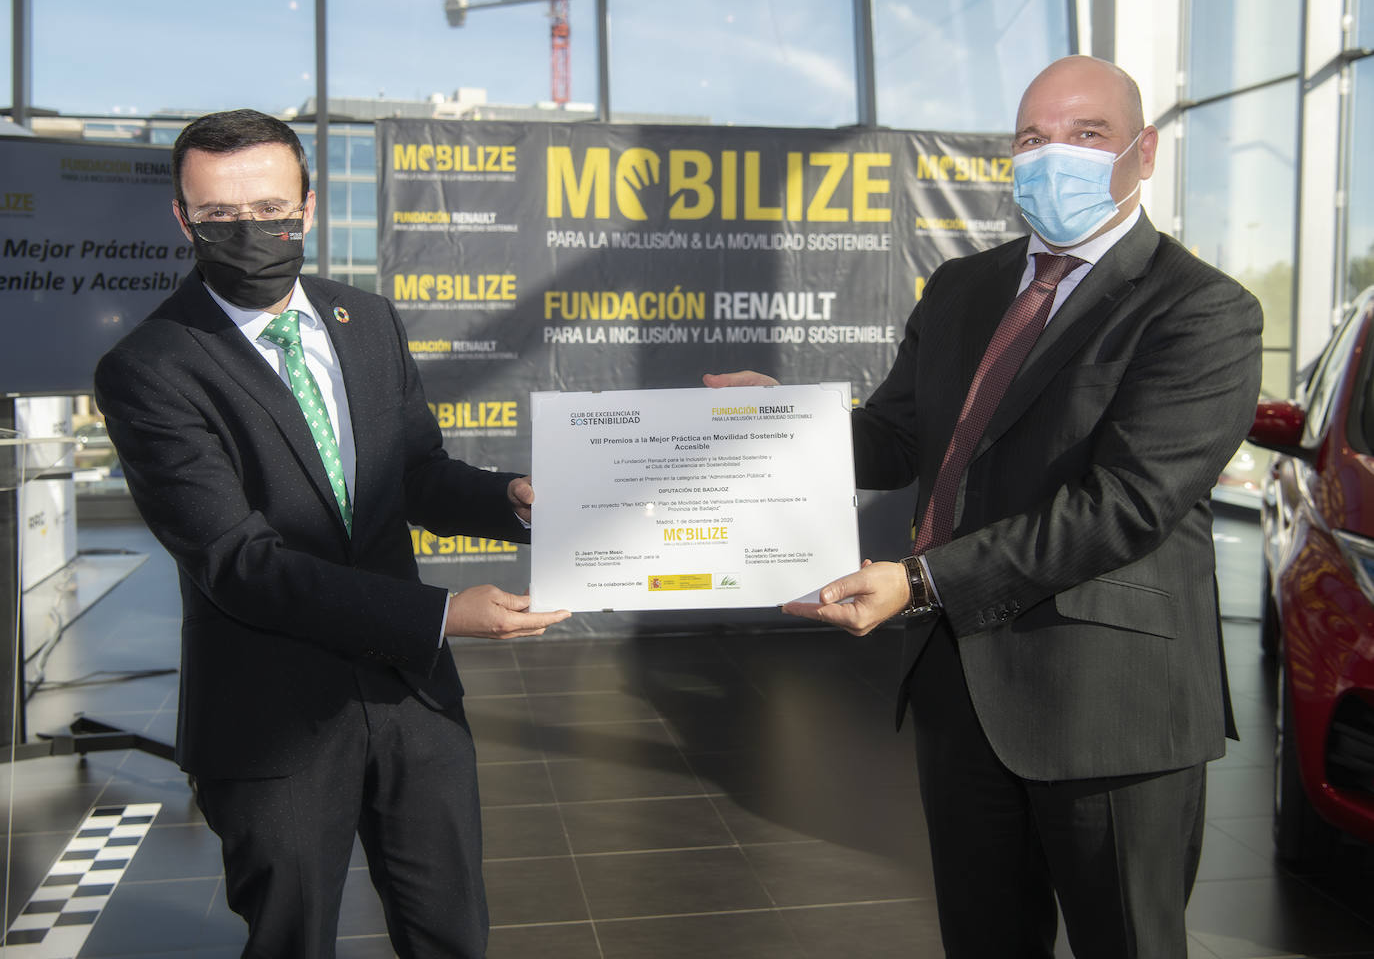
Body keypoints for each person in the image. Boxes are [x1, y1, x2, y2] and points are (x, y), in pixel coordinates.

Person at [706, 55, 1262, 956]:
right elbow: (896, 437)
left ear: (1146, 152)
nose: (1054, 156)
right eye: (1033, 138)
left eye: (1087, 134)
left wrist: (922, 580)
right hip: (960, 684)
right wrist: (782, 424)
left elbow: (1124, 505)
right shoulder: (963, 287)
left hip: (1108, 704)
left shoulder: (1201, 310)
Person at [94, 109, 570, 959]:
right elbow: (239, 564)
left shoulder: (367, 320)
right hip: (271, 713)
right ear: (182, 218)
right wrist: (441, 615)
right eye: (219, 215)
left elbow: (414, 474)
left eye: (270, 210)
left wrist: (513, 501)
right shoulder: (149, 368)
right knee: (293, 940)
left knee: (452, 932)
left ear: (308, 209)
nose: (248, 231)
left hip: (412, 700)